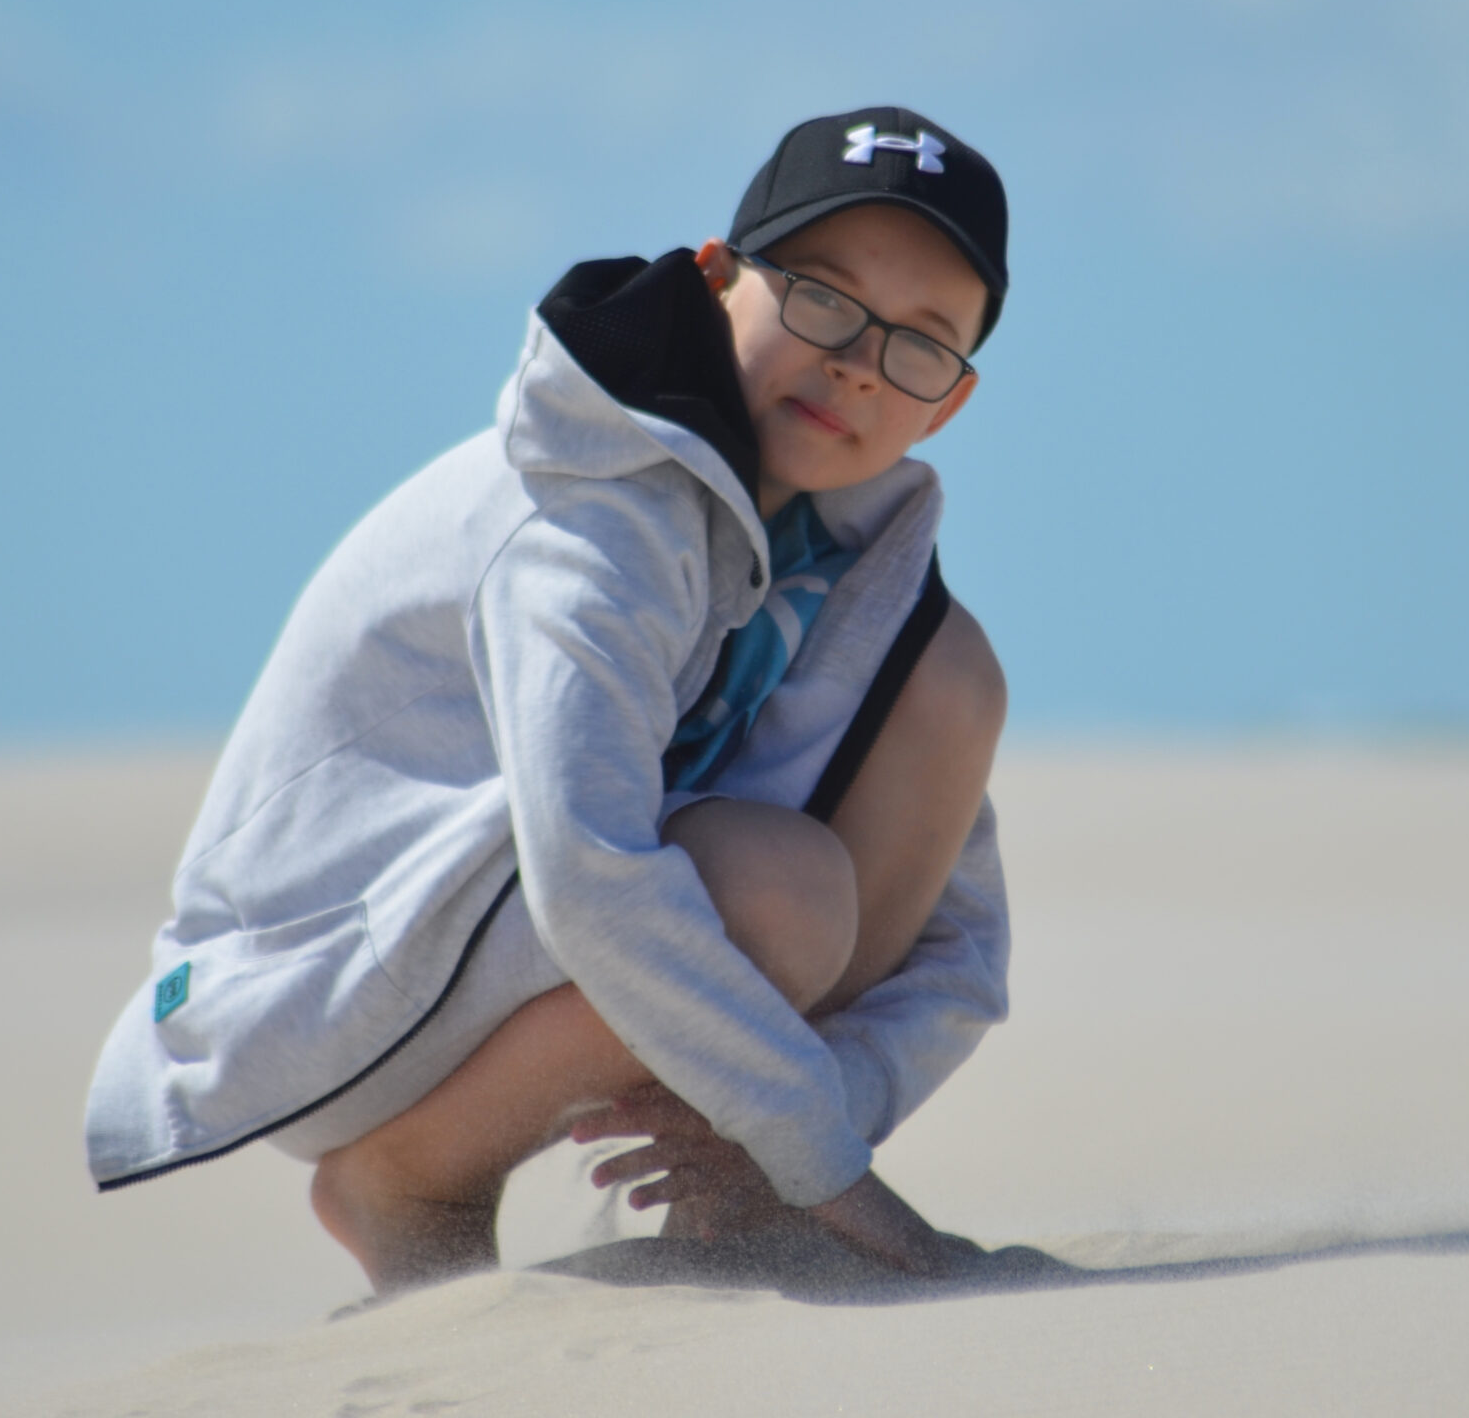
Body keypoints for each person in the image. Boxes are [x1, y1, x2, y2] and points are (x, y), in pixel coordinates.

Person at [83, 106, 1015, 1293]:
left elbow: (959, 953)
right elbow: (587, 871)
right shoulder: (598, 504)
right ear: (717, 279)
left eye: (919, 344)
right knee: (778, 894)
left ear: (949, 404)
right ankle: (411, 1181)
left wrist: (815, 1116)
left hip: (489, 950)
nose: (857, 362)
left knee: (950, 679)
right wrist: (829, 1171)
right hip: (310, 981)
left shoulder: (856, 581)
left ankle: (730, 1208)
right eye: (823, 296)